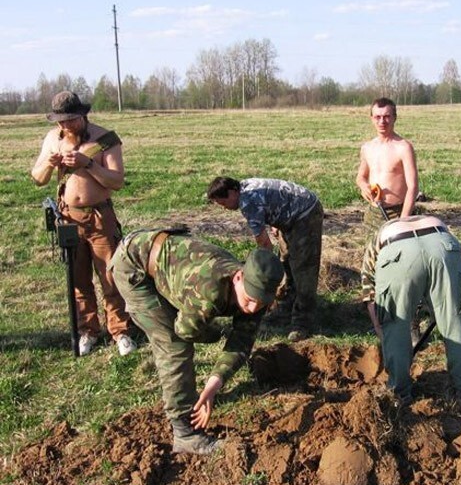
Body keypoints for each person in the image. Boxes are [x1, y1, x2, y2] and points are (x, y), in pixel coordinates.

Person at [110, 229, 284, 455]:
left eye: (260, 303)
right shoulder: (208, 291)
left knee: (190, 325)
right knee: (174, 346)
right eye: (249, 300)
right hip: (135, 264)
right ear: (238, 277)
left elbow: (242, 342)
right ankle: (185, 434)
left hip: (171, 264)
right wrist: (212, 335)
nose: (253, 309)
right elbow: (185, 331)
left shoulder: (256, 291)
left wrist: (213, 386)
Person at [31, 91, 136, 356]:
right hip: (69, 218)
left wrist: (87, 163)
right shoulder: (53, 139)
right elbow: (38, 178)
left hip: (100, 217)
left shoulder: (106, 139)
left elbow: (116, 181)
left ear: (83, 116)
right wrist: (49, 165)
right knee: (78, 279)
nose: (65, 126)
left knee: (110, 276)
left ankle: (120, 331)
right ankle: (88, 330)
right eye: (60, 121)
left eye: (70, 120)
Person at [361, 214, 461, 408]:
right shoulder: (430, 218)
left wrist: (381, 327)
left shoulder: (376, 240)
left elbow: (370, 292)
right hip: (442, 243)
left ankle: (400, 394)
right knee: (455, 321)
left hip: (397, 251)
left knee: (396, 326)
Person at [206, 177, 323, 342]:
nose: (225, 208)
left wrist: (259, 274)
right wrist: (276, 220)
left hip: (305, 213)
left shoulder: (248, 202)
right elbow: (271, 201)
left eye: (223, 203)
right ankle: (285, 308)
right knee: (287, 261)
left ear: (232, 192)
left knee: (304, 269)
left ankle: (302, 322)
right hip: (291, 214)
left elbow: (264, 245)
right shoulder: (245, 188)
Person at [356, 97, 419, 230]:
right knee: (372, 250)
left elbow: (413, 188)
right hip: (373, 214)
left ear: (395, 118)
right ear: (371, 118)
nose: (382, 121)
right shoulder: (367, 147)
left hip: (397, 213)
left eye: (386, 116)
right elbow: (361, 177)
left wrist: (403, 221)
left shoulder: (404, 147)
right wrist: (364, 186)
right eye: (377, 117)